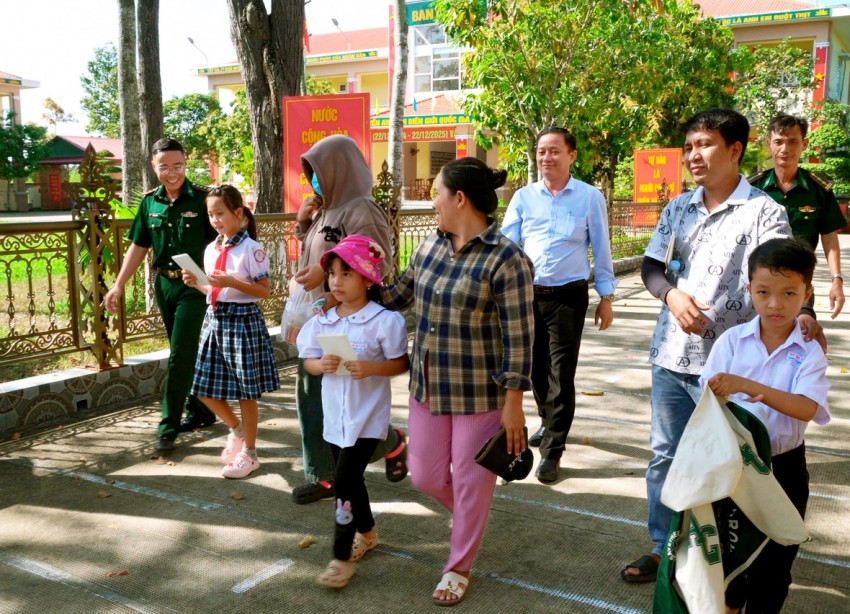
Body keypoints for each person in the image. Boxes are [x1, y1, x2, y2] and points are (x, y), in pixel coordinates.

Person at [621, 108, 800, 583]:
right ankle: (663, 548)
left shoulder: (764, 211)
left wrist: (805, 316)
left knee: (729, 459)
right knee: (665, 455)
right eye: (689, 147)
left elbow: (782, 274)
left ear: (735, 150)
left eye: (704, 145)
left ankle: (717, 554)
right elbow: (652, 268)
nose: (694, 156)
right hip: (671, 356)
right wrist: (672, 294)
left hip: (732, 365)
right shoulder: (678, 207)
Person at [380, 157, 534, 606]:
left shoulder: (508, 260)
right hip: (428, 384)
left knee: (469, 481)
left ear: (460, 199)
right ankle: (472, 518)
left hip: (480, 393)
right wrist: (347, 283)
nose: (432, 205)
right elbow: (398, 295)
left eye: (436, 196)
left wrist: (514, 403)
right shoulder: (430, 245)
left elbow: (520, 341)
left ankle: (458, 566)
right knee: (424, 475)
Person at [701, 237, 830, 613]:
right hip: (733, 467)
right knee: (729, 557)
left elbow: (806, 408)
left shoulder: (808, 351)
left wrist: (747, 385)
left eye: (789, 293)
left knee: (775, 560)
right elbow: (707, 403)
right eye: (763, 292)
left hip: (784, 468)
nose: (775, 304)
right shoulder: (731, 342)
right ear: (749, 290)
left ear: (807, 292)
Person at [290, 134, 407, 504]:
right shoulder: (325, 209)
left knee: (343, 399)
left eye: (319, 172)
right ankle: (326, 473)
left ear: (338, 168)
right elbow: (320, 255)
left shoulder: (361, 209)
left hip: (347, 316)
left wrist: (328, 284)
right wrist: (302, 224)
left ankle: (383, 444)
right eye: (311, 173)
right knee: (314, 395)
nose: (314, 180)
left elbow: (378, 261)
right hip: (320, 316)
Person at [501, 126, 616, 483]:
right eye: (541, 152)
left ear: (571, 156)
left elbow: (601, 245)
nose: (546, 158)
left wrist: (606, 297)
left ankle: (552, 452)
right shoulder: (524, 197)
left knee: (560, 374)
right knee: (534, 370)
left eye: (554, 151)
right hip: (528, 297)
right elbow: (507, 244)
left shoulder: (588, 197)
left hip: (568, 296)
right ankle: (548, 420)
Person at [296, 234, 409, 589]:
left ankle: (341, 557)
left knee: (343, 481)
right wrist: (321, 364)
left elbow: (399, 363)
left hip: (367, 419)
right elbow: (309, 362)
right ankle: (369, 533)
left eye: (347, 273)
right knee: (352, 480)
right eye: (332, 273)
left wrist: (371, 368)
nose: (336, 281)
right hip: (335, 419)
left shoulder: (383, 321)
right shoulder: (323, 321)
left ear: (367, 279)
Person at [103, 138, 217, 453]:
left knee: (180, 355)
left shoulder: (203, 200)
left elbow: (222, 239)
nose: (172, 173)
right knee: (182, 351)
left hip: (194, 287)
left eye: (178, 165)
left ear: (186, 164)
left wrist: (217, 281)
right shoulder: (150, 202)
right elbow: (139, 246)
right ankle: (201, 411)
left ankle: (168, 427)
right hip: (164, 285)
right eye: (164, 166)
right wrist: (118, 284)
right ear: (154, 167)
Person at [181, 185, 280, 479]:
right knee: (201, 387)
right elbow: (215, 290)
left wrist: (233, 282)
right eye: (211, 215)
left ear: (238, 212)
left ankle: (249, 453)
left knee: (246, 392)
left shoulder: (252, 249)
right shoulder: (212, 248)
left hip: (242, 320)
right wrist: (196, 283)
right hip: (215, 319)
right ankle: (237, 430)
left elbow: (264, 290)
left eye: (220, 213)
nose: (215, 220)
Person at [749, 114, 846, 331]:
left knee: (804, 335)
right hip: (760, 280)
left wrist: (836, 280)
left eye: (792, 141)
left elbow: (829, 237)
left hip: (799, 280)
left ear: (804, 144)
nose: (785, 148)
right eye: (778, 142)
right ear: (769, 145)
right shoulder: (753, 189)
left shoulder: (818, 190)